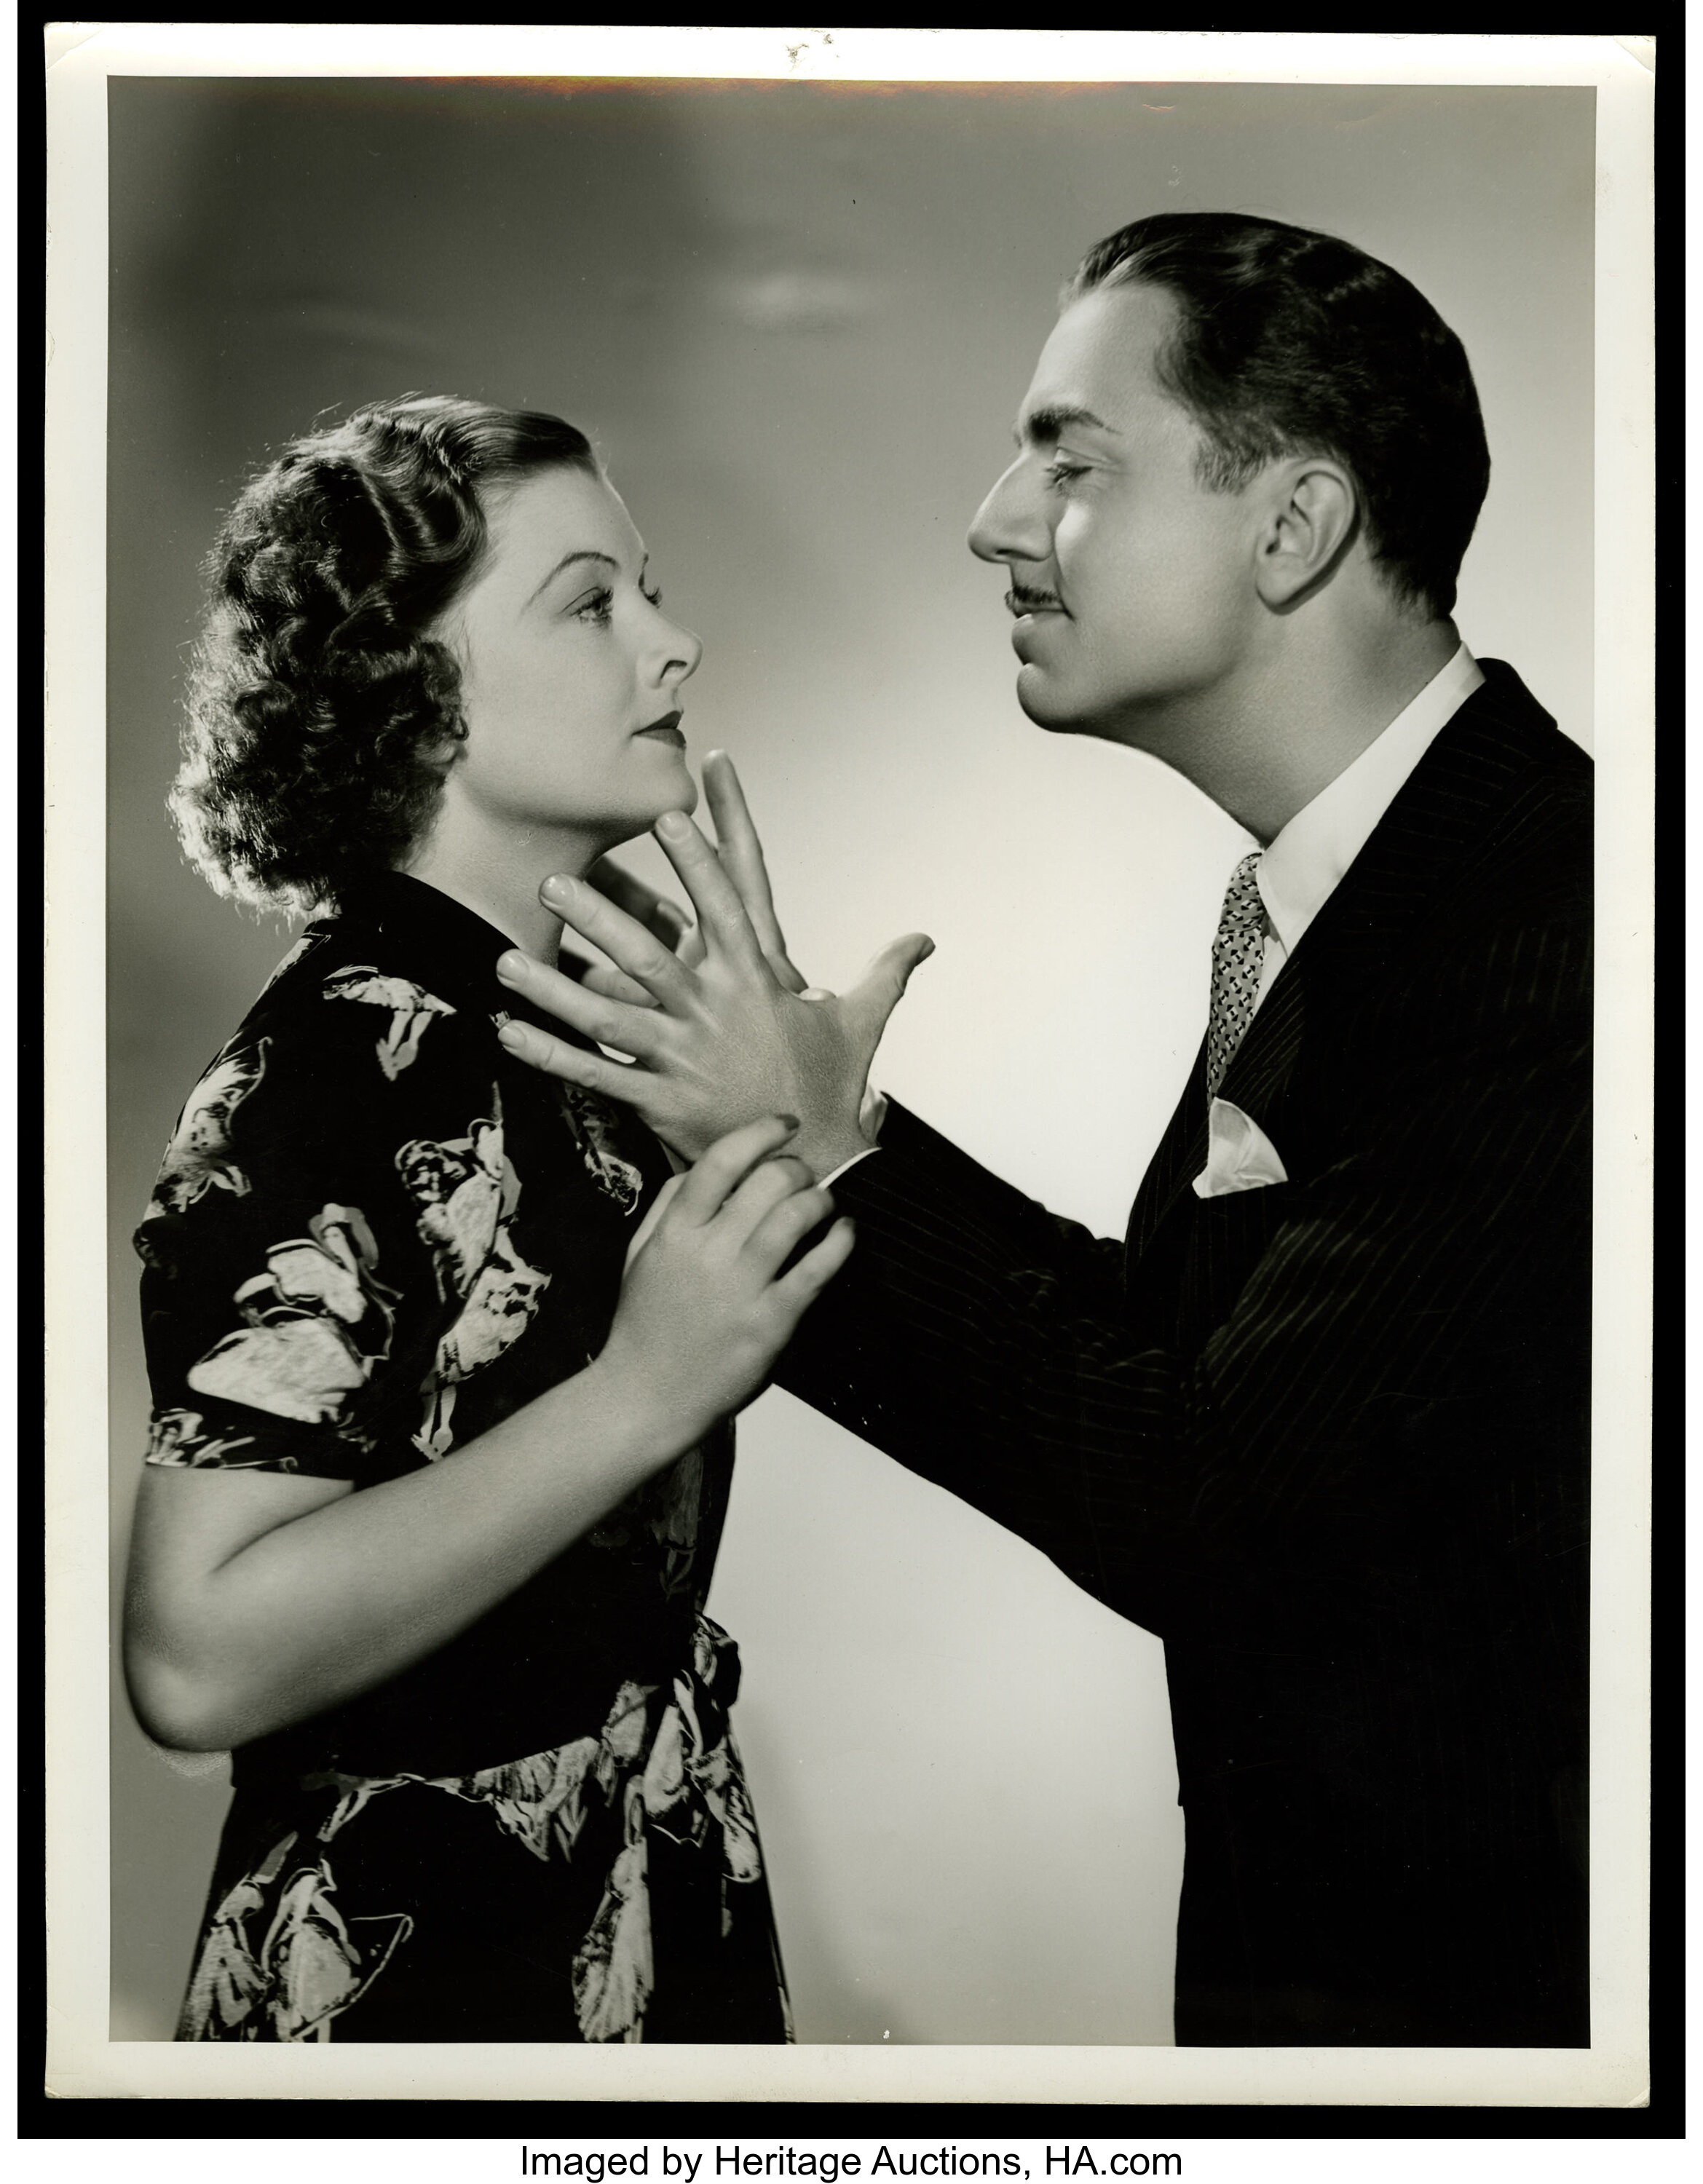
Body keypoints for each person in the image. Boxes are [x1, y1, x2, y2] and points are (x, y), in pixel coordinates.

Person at [493, 213, 1593, 2047]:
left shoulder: (1548, 915)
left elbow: (1198, 1499)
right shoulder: (1374, 888)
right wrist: (828, 1132)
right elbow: (1200, 1371)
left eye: (1071, 459)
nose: (996, 519)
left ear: (1294, 527)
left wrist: (810, 1158)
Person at [122, 395, 856, 2044]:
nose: (672, 645)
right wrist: (640, 1395)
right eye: (593, 602)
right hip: (414, 1989)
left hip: (642, 1930)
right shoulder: (332, 1061)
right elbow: (197, 1658)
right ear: (416, 695)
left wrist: (809, 1127)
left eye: (646, 590)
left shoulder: (575, 1022)